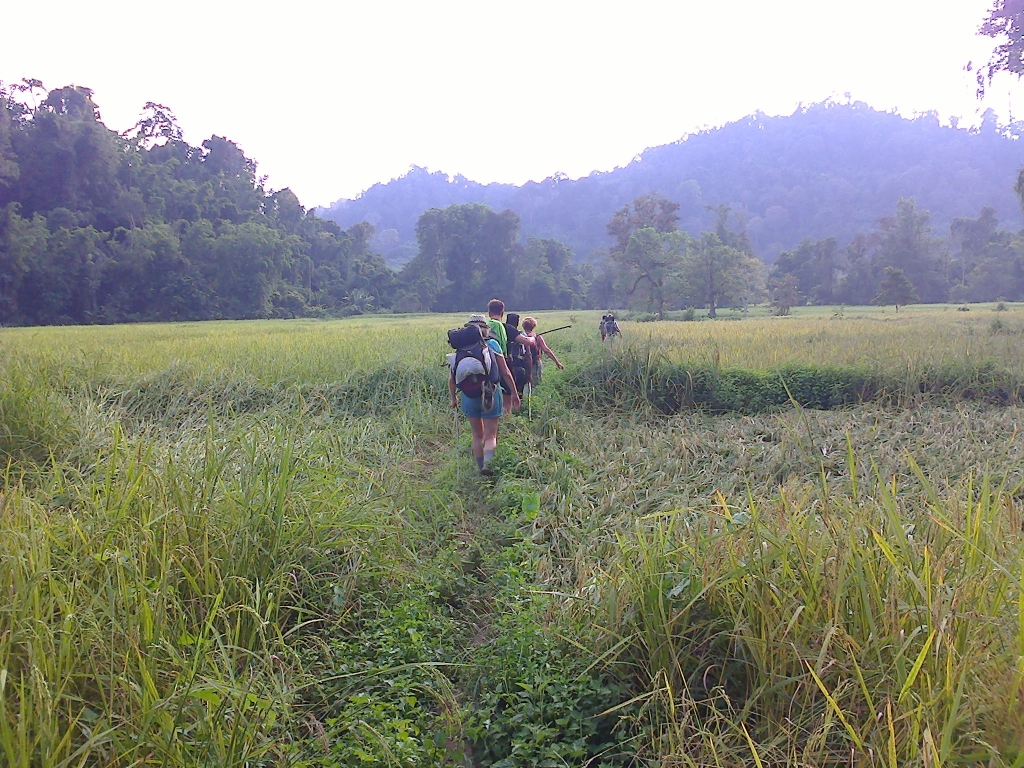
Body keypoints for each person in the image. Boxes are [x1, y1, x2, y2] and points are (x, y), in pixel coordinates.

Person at [449, 314, 520, 475]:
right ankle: (489, 464)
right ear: (486, 329)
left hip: (468, 396)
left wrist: (453, 398)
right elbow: (505, 372)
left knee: (476, 435)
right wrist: (514, 393)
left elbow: (452, 378)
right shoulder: (493, 344)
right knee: (490, 436)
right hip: (491, 393)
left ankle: (480, 468)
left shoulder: (461, 348)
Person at [521, 316, 564, 386]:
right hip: (535, 362)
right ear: (533, 326)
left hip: (523, 363)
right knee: (536, 382)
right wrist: (557, 362)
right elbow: (546, 350)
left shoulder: (520, 337)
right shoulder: (537, 337)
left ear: (523, 326)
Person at [503, 312, 536, 400]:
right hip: (518, 367)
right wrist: (529, 373)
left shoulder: (501, 333)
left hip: (503, 368)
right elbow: (528, 355)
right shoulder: (521, 335)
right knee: (518, 392)